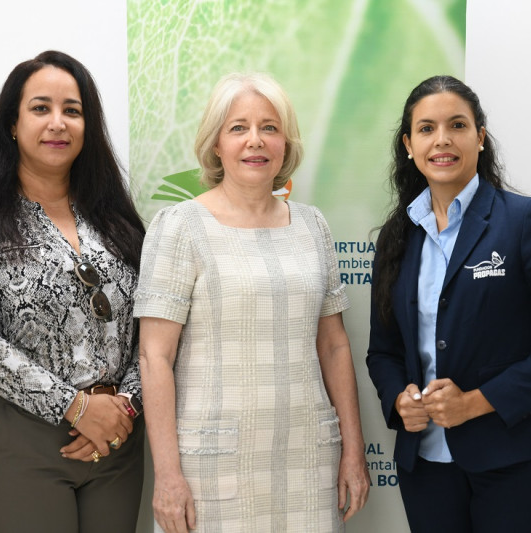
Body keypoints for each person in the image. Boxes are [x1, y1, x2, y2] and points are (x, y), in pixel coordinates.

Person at [135, 72, 370, 533]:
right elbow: (153, 356)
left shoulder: (311, 225)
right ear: (216, 144)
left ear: (286, 142)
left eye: (269, 127)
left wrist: (353, 452)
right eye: (238, 127)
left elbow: (335, 347)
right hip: (212, 467)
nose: (255, 141)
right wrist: (167, 476)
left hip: (309, 461)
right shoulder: (180, 227)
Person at [366, 75, 531, 533]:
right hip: (427, 465)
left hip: (519, 461)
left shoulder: (527, 220)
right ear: (409, 145)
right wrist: (398, 399)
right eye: (427, 129)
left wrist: (475, 402)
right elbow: (384, 351)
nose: (443, 140)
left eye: (457, 125)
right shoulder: (397, 236)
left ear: (480, 138)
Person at [0, 50, 146, 533]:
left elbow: (150, 327)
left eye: (72, 110)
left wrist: (123, 409)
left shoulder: (117, 222)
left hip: (115, 440)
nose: (58, 123)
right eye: (40, 108)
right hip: (19, 436)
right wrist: (76, 407)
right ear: (12, 123)